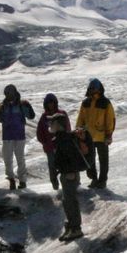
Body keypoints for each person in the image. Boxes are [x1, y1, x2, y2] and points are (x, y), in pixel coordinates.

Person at [42, 110, 88, 241]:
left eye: (52, 122)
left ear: (59, 124)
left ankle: (76, 229)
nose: (50, 124)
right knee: (67, 201)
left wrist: (71, 173)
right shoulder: (61, 138)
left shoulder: (64, 139)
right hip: (66, 174)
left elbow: (71, 158)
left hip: (69, 175)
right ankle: (71, 226)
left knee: (71, 201)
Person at [75, 78, 116, 189]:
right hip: (88, 137)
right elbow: (81, 119)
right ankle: (94, 179)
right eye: (93, 89)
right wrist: (78, 131)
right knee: (90, 160)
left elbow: (110, 119)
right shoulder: (86, 103)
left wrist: (109, 135)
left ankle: (102, 181)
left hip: (102, 137)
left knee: (103, 160)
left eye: (96, 90)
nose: (94, 92)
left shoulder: (105, 103)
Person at [0, 85, 35, 190]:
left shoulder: (21, 104)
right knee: (7, 159)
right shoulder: (2, 106)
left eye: (11, 92)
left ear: (15, 92)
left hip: (19, 135)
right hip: (7, 136)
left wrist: (27, 107)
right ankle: (11, 179)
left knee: (20, 159)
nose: (9, 95)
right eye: (7, 93)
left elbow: (31, 116)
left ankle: (22, 181)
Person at [35, 93, 64, 191]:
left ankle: (67, 185)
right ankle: (55, 186)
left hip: (62, 146)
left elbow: (67, 128)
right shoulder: (44, 117)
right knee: (52, 167)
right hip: (50, 147)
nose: (50, 104)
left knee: (64, 166)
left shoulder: (62, 114)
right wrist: (45, 143)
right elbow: (39, 132)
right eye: (48, 103)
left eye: (52, 102)